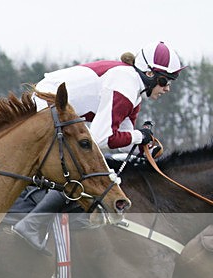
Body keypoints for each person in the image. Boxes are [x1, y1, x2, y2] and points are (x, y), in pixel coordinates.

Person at [11, 41, 184, 254]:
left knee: (95, 166)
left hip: (53, 110)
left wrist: (143, 147)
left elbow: (125, 134)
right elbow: (103, 138)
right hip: (44, 108)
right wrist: (140, 136)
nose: (167, 88)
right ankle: (32, 224)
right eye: (165, 80)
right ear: (149, 74)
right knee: (85, 169)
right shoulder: (126, 82)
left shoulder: (134, 89)